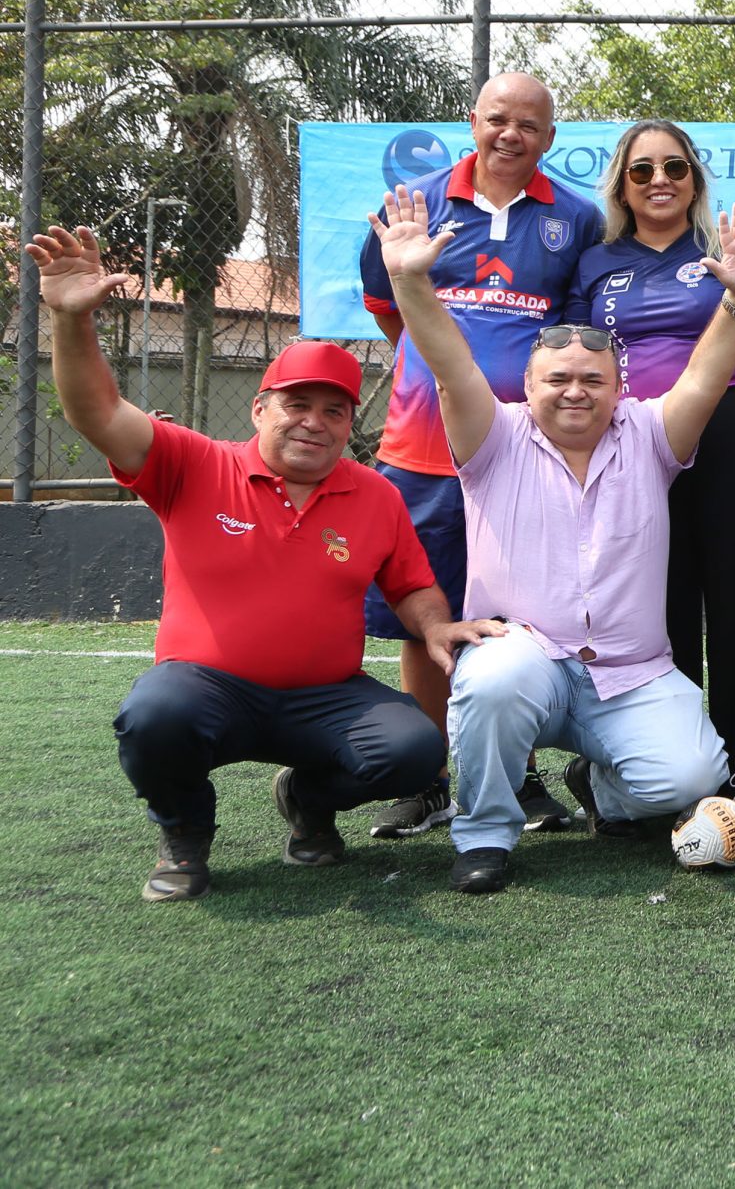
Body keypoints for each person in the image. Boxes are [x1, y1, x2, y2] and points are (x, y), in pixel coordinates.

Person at [29, 224, 493, 901]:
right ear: (259, 407)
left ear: (348, 422)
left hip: (324, 697)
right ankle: (185, 832)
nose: (314, 421)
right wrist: (72, 320)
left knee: (415, 748)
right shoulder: (192, 462)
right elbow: (95, 410)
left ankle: (308, 800)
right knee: (154, 713)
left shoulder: (376, 493)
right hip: (208, 689)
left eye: (333, 410)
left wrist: (434, 626)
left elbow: (411, 581)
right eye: (296, 404)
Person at [373, 186, 735, 894]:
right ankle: (485, 833)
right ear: (528, 382)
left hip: (630, 671)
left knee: (693, 777)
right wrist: (411, 282)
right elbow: (452, 362)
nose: (575, 391)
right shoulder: (493, 435)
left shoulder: (650, 433)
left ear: (621, 387)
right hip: (529, 655)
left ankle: (597, 785)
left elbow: (705, 380)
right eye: (557, 378)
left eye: (593, 379)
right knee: (491, 679)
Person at [356, 72, 603, 839]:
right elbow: (388, 308)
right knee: (420, 619)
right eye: (498, 119)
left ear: (550, 137)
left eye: (529, 124)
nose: (511, 134)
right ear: (473, 121)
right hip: (420, 453)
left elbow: (569, 339)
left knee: (516, 621)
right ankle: (429, 779)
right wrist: (443, 380)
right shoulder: (415, 202)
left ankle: (516, 776)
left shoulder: (579, 218)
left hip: (519, 460)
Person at [563, 119, 735, 812]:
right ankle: (668, 761)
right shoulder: (595, 261)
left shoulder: (726, 248)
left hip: (731, 438)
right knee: (655, 607)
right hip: (636, 444)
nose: (660, 179)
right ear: (623, 185)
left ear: (694, 177)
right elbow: (575, 360)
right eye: (643, 170)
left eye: (674, 166)